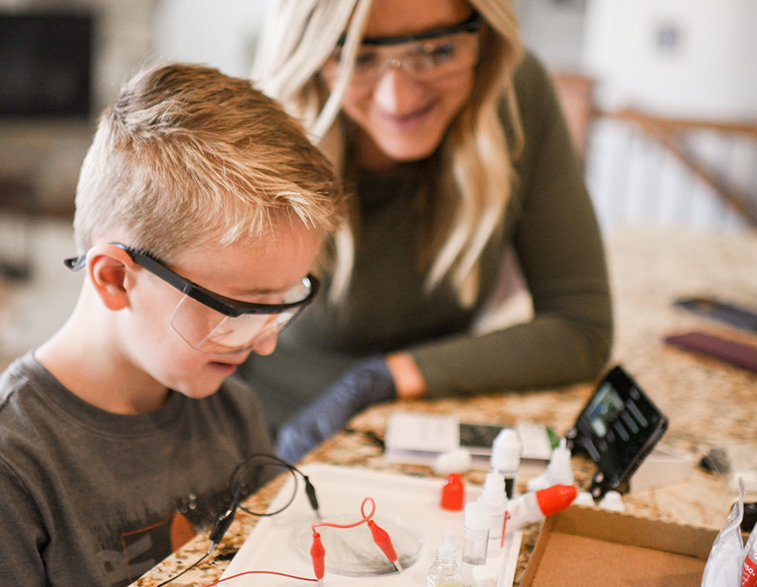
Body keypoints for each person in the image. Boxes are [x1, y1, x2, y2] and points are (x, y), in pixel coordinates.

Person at [0, 62, 344, 587]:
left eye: (284, 302)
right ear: (115, 278)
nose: (263, 348)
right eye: (241, 309)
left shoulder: (231, 409)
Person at [241, 0, 613, 462]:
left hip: (424, 437)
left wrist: (385, 377)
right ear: (312, 58)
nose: (398, 98)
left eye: (438, 51)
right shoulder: (263, 124)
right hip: (274, 440)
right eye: (358, 58)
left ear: (485, 40)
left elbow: (581, 327)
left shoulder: (516, 92)